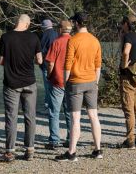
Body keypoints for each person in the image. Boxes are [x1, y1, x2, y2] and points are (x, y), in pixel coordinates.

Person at [55, 12, 104, 162]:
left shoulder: (73, 40)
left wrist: (65, 81)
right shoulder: (95, 41)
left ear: (76, 23)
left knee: (75, 118)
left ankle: (72, 152)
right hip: (91, 81)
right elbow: (98, 65)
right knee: (93, 116)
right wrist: (95, 81)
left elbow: (68, 64)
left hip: (76, 82)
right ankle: (98, 149)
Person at [0, 14, 42, 162]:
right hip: (29, 82)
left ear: (17, 22)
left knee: (11, 117)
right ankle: (30, 150)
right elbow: (39, 60)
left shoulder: (6, 37)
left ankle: (9, 152)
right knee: (30, 117)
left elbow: (1, 61)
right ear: (28, 24)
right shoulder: (34, 38)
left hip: (11, 83)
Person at [44, 20, 74, 150]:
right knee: (69, 112)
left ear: (60, 30)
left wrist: (49, 75)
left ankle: (54, 140)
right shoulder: (75, 41)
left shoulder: (56, 42)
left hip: (57, 81)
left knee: (54, 112)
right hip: (72, 81)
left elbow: (50, 63)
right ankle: (70, 138)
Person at [118, 14, 136, 149]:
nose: (121, 24)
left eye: (123, 22)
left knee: (128, 109)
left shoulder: (128, 37)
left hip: (127, 76)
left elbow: (125, 52)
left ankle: (130, 139)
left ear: (126, 24)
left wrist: (124, 64)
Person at [39, 19, 58, 85]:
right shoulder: (57, 34)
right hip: (57, 64)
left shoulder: (43, 36)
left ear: (43, 27)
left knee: (48, 89)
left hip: (47, 64)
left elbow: (41, 51)